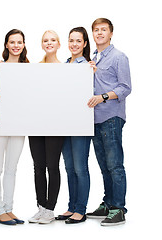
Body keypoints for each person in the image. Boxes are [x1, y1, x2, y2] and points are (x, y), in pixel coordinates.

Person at [87, 18, 131, 226]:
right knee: (104, 165)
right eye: (96, 30)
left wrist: (104, 96)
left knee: (115, 165)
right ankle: (108, 202)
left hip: (111, 116)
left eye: (103, 30)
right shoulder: (94, 58)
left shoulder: (118, 57)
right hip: (94, 119)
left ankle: (118, 208)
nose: (99, 33)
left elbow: (125, 87)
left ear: (111, 33)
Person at [0, 29, 29, 225]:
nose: (15, 45)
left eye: (19, 42)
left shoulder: (28, 68)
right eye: (12, 42)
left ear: (23, 45)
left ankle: (9, 208)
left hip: (19, 123)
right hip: (0, 120)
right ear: (6, 45)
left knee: (12, 168)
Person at [55, 27, 95, 224]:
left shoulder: (87, 66)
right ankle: (71, 207)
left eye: (78, 41)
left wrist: (91, 72)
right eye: (71, 40)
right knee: (69, 168)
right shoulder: (64, 65)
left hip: (80, 123)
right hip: (65, 123)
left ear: (85, 44)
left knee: (80, 168)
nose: (74, 44)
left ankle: (81, 209)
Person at [28, 30, 65, 224]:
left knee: (52, 166)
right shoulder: (35, 69)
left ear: (59, 44)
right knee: (38, 167)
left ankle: (50, 209)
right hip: (35, 124)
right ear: (42, 45)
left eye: (53, 40)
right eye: (45, 40)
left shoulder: (66, 69)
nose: (49, 43)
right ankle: (41, 207)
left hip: (55, 125)